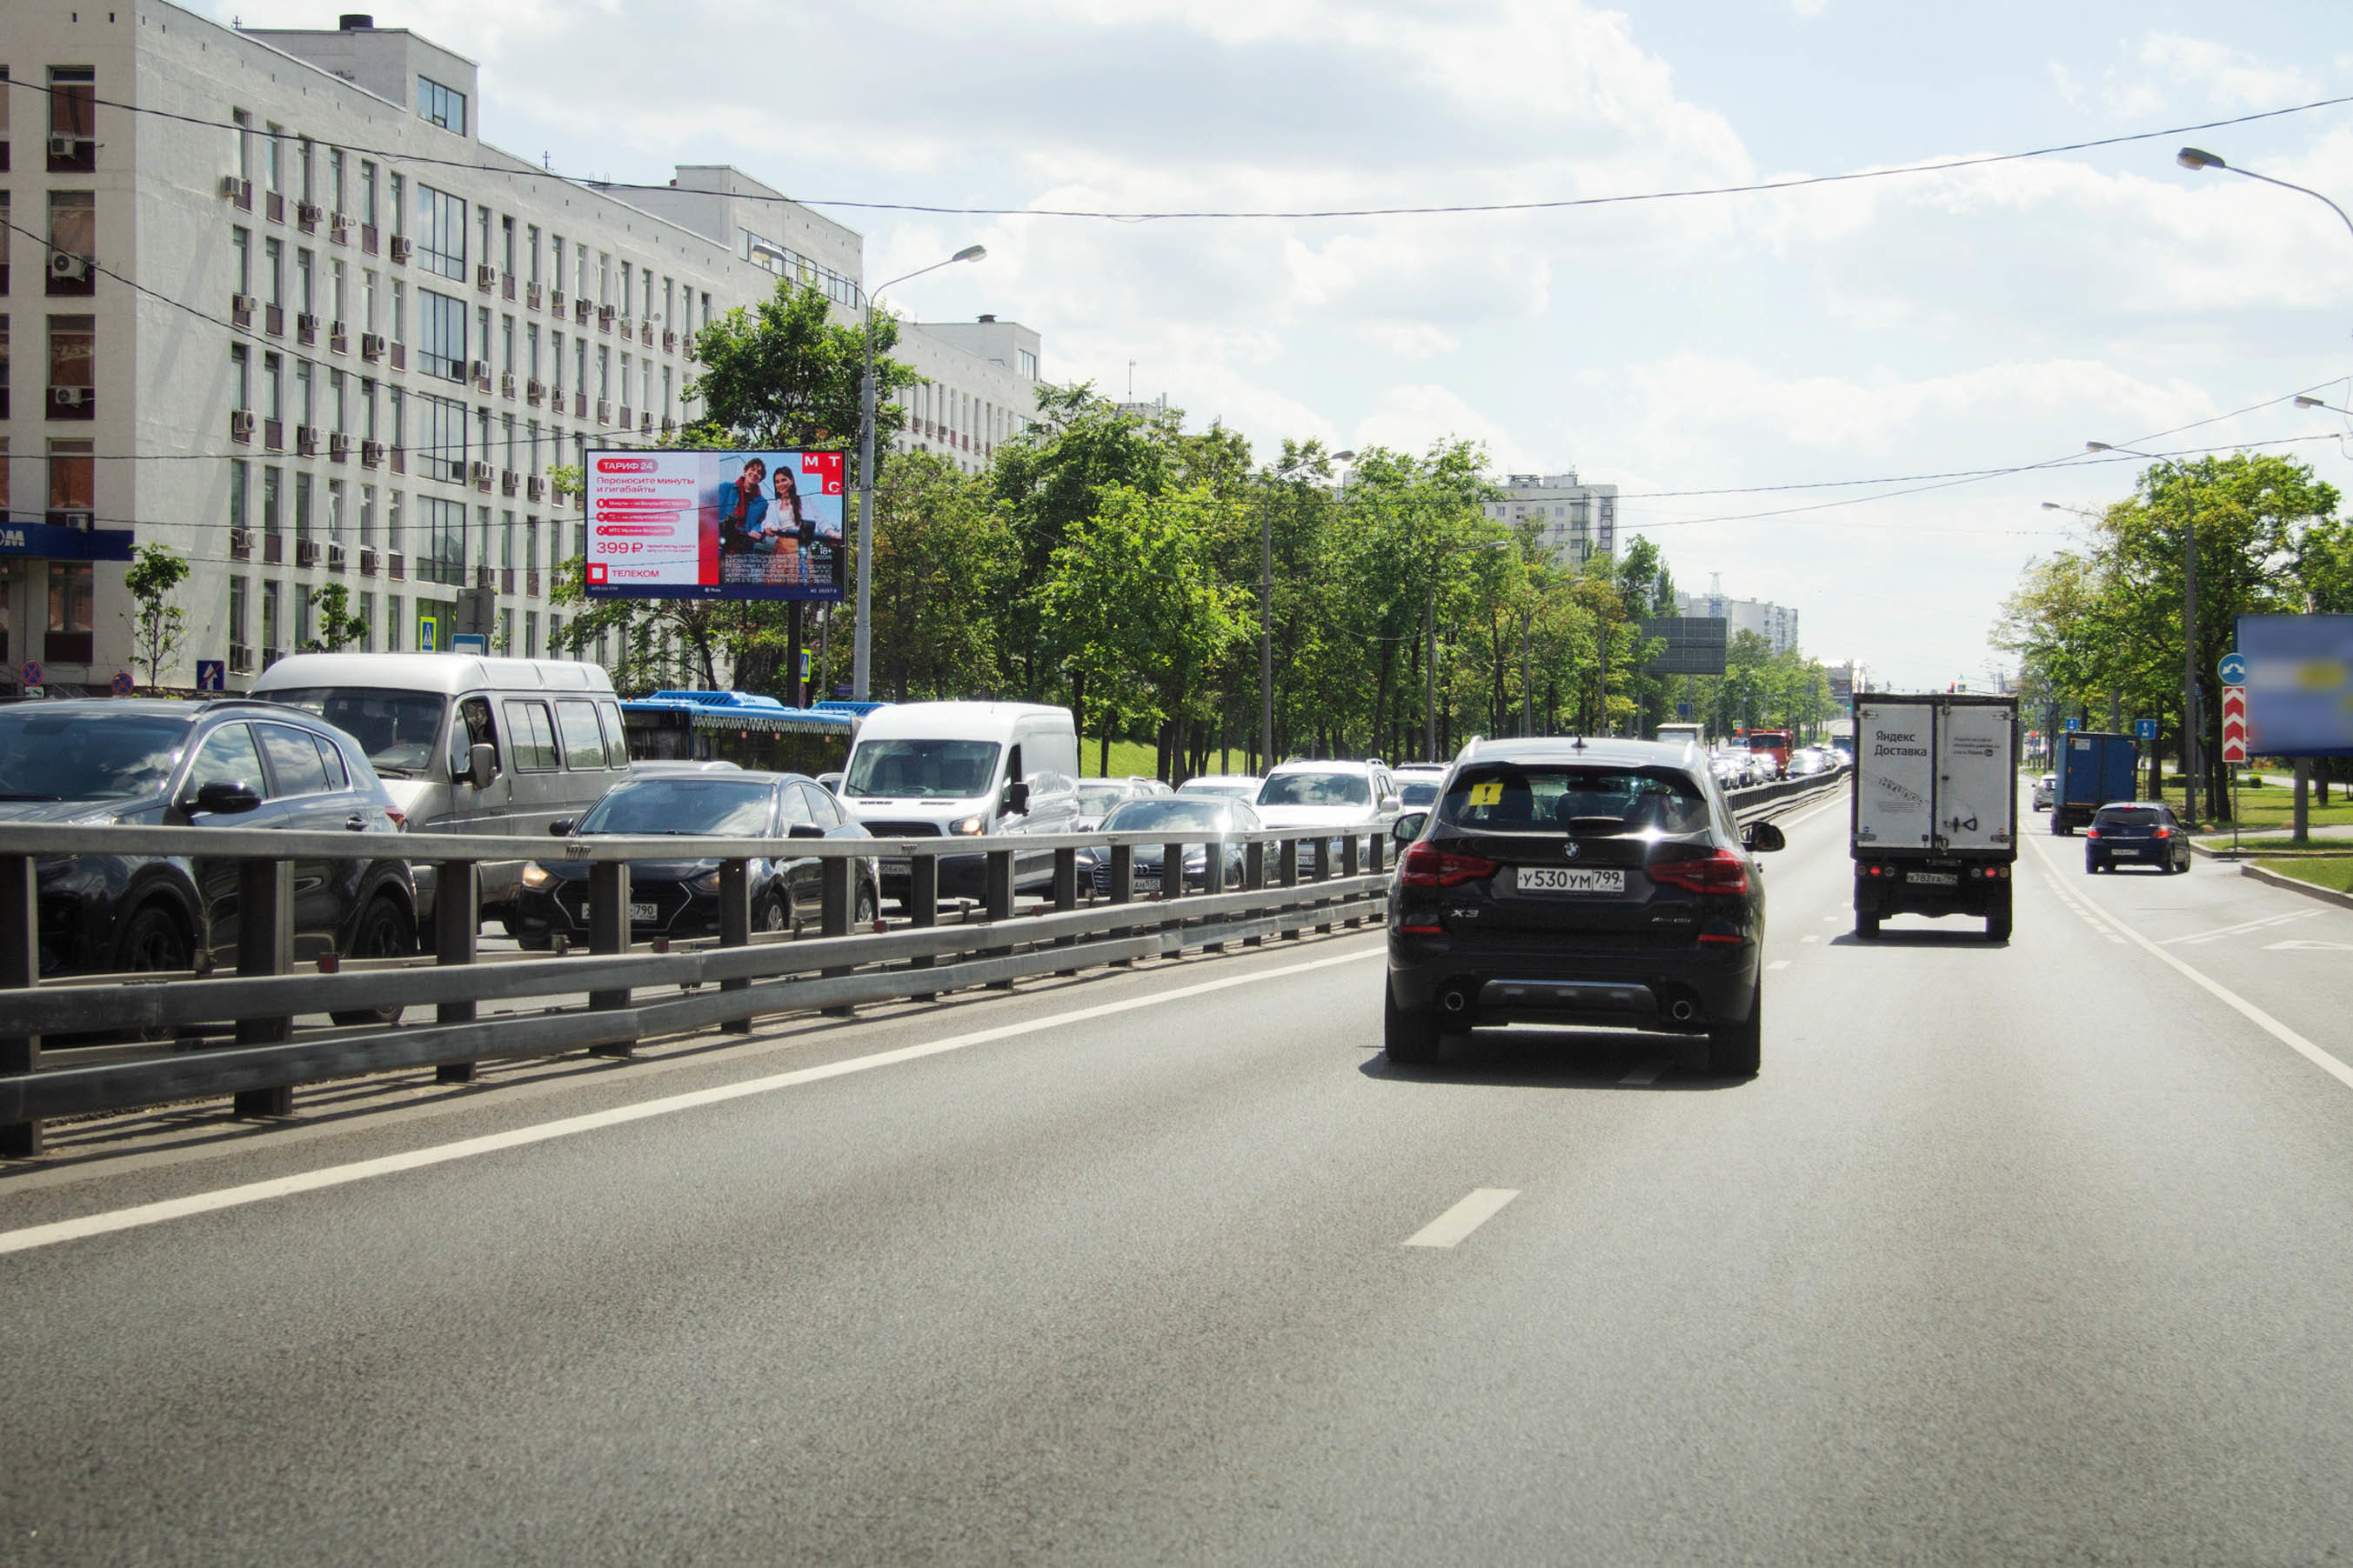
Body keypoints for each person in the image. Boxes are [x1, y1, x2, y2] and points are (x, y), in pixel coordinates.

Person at [715, 458, 769, 557]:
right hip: (719, 541)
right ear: (745, 471)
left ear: (761, 479)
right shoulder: (725, 488)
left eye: (759, 472)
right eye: (752, 469)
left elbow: (762, 523)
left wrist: (756, 531)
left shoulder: (763, 504)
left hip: (743, 547)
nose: (755, 473)